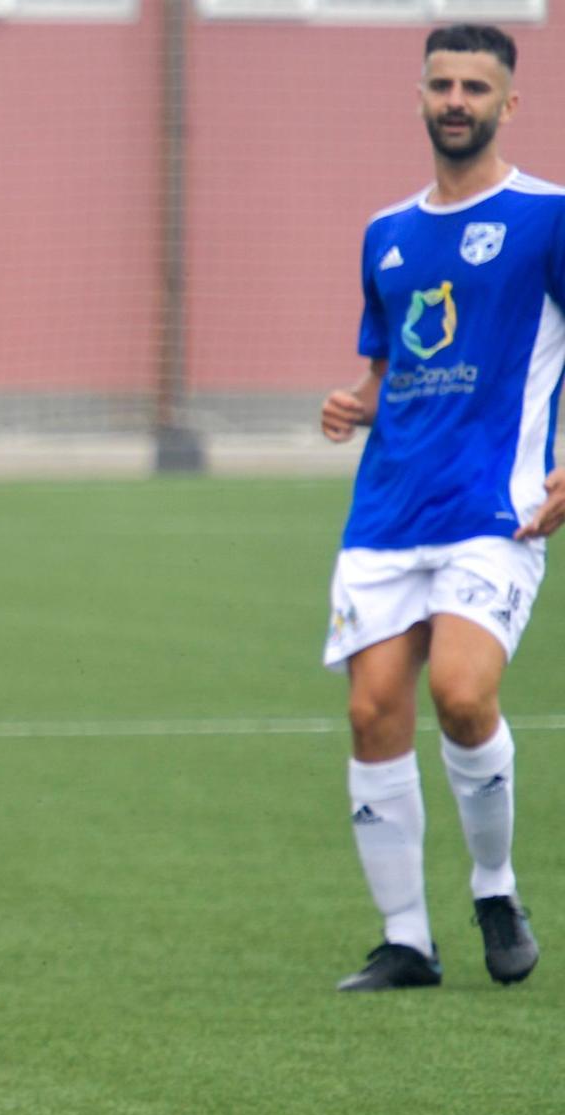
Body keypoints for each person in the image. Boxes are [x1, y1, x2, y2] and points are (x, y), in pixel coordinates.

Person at [319, 24, 562, 993]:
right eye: (439, 84)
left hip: (493, 507)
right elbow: (392, 370)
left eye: (473, 86)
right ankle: (405, 940)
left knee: (460, 694)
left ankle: (494, 888)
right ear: (418, 97)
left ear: (509, 103)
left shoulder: (547, 217)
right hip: (384, 512)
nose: (453, 100)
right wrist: (355, 401)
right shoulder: (385, 233)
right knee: (372, 710)